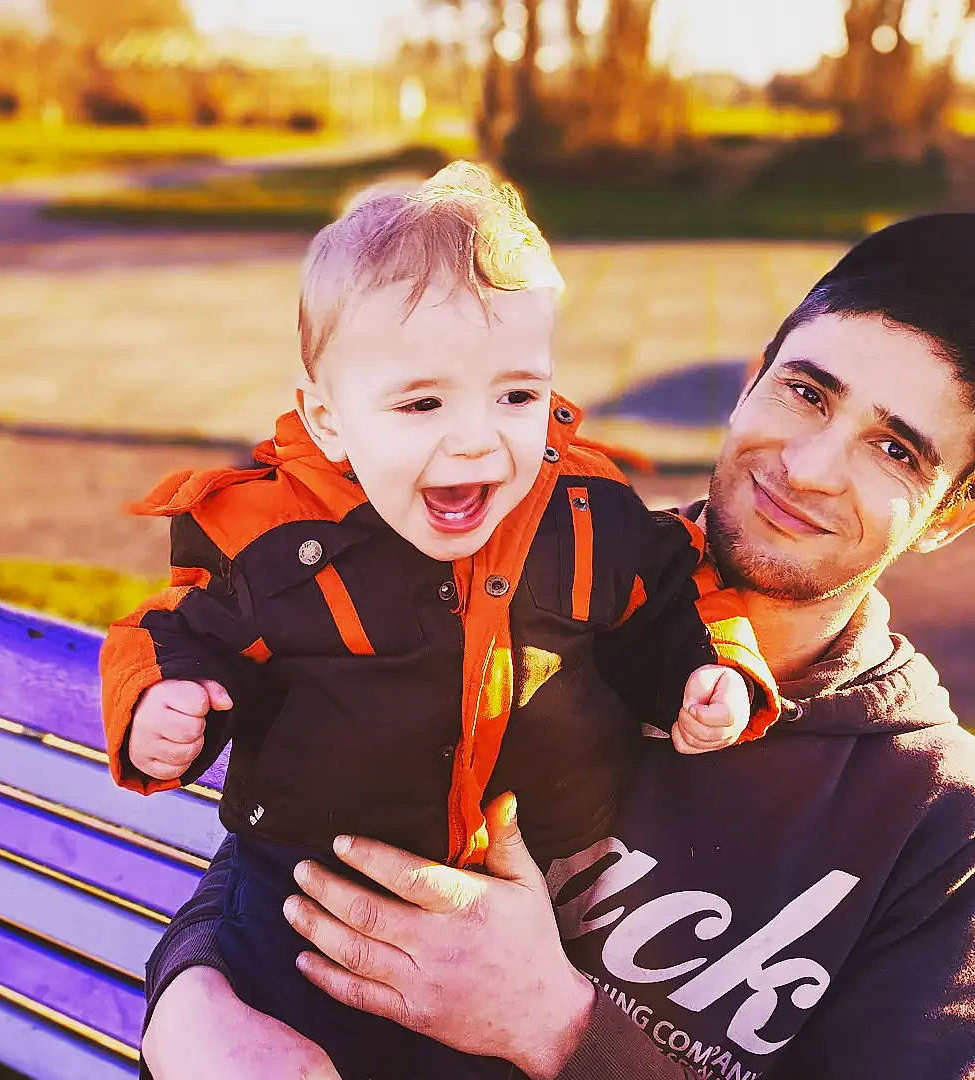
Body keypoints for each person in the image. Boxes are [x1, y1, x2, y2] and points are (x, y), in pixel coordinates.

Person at [138, 212, 975, 1080]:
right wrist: (190, 995)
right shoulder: (537, 562)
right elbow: (294, 823)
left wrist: (556, 1027)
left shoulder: (937, 827)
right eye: (807, 391)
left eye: (895, 450)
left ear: (948, 517)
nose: (808, 466)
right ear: (752, 378)